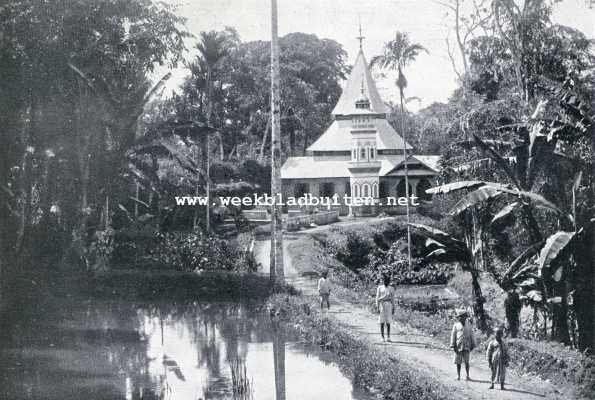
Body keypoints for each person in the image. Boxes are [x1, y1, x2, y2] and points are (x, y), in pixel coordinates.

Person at [450, 309, 475, 380]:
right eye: (461, 317)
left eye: (464, 317)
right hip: (458, 346)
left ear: (466, 317)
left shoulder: (469, 325)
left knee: (467, 361)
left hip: (467, 345)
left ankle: (467, 375)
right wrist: (453, 345)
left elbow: (472, 334)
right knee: (458, 362)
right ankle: (458, 375)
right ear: (459, 318)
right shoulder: (456, 325)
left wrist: (473, 344)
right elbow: (453, 335)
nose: (462, 318)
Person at [487, 326, 509, 390]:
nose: (499, 335)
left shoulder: (504, 343)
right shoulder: (492, 343)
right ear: (494, 334)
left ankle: (502, 385)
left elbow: (507, 351)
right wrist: (489, 361)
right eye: (497, 333)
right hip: (494, 359)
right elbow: (489, 352)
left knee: (503, 372)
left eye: (500, 333)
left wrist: (507, 360)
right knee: (493, 371)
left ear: (502, 334)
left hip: (502, 359)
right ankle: (492, 384)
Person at [375, 275, 395, 342]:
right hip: (382, 304)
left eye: (387, 281)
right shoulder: (380, 288)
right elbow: (377, 298)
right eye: (385, 281)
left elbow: (393, 299)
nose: (386, 282)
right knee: (382, 321)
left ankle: (388, 337)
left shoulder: (391, 288)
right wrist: (377, 306)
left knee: (388, 321)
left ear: (389, 281)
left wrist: (393, 308)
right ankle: (382, 337)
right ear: (383, 281)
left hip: (389, 305)